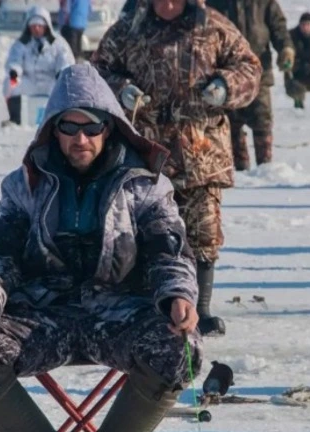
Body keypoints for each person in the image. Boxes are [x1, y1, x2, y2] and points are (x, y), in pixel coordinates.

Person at [0, 64, 202, 432]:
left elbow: (170, 251)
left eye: (91, 127)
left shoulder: (145, 185)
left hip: (119, 311)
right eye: (69, 127)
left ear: (109, 127)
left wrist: (178, 295)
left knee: (179, 347)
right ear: (54, 130)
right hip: (43, 314)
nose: (81, 138)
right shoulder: (24, 185)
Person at [91, 0, 262, 336]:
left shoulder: (213, 26)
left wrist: (226, 85)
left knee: (203, 234)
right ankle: (155, 303)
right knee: (148, 233)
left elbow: (250, 68)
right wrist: (121, 90)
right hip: (146, 157)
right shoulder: (129, 29)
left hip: (202, 154)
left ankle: (200, 310)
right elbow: (97, 73)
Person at [205, 0, 293, 171]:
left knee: (262, 119)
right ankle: (241, 170)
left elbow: (279, 27)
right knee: (231, 123)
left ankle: (265, 168)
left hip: (259, 69)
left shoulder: (265, 2)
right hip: (227, 73)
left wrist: (286, 49)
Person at [2, 6, 74, 125]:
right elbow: (14, 60)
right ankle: (15, 119)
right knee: (9, 84)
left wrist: (61, 72)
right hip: (31, 81)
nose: (36, 29)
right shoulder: (21, 43)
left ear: (46, 26)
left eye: (39, 26)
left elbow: (65, 60)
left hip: (51, 81)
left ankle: (61, 119)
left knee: (65, 88)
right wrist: (14, 71)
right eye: (33, 26)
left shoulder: (58, 43)